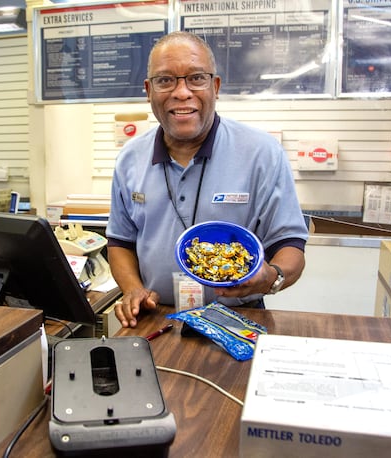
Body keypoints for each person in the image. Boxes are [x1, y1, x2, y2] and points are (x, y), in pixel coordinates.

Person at [106, 31, 308, 328]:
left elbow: (290, 245)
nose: (182, 92)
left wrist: (270, 277)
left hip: (240, 319)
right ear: (148, 90)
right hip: (156, 318)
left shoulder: (261, 153)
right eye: (165, 80)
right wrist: (133, 288)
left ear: (215, 86)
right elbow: (120, 241)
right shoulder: (130, 158)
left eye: (196, 78)